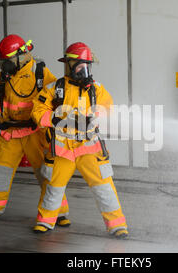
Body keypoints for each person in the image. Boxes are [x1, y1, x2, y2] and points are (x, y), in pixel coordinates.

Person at [31, 42, 129, 238]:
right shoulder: (55, 87)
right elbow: (37, 111)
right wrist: (54, 118)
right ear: (68, 65)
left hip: (89, 149)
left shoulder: (96, 89)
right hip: (62, 150)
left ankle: (117, 225)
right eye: (76, 65)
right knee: (53, 187)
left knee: (104, 187)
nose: (80, 70)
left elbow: (108, 109)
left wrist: (96, 115)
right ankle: (45, 221)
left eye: (83, 66)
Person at [0, 34, 71, 227]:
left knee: (46, 173)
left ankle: (58, 212)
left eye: (8, 61)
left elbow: (55, 99)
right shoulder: (4, 76)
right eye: (2, 61)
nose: (4, 65)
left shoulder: (40, 73)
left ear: (21, 56)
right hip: (10, 132)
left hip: (35, 133)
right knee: (1, 172)